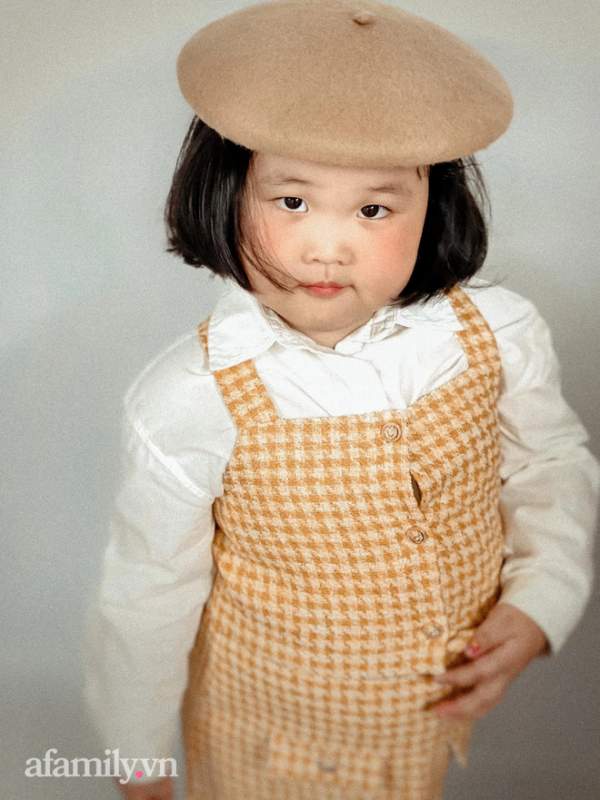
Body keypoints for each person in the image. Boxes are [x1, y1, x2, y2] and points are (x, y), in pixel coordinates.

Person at [81, 2, 600, 799]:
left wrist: (545, 594)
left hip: (419, 733)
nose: (328, 248)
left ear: (432, 208)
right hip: (267, 744)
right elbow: (147, 593)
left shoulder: (494, 333)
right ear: (227, 191)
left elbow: (548, 463)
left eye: (373, 209)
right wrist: (138, 754)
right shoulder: (194, 397)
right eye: (291, 202)